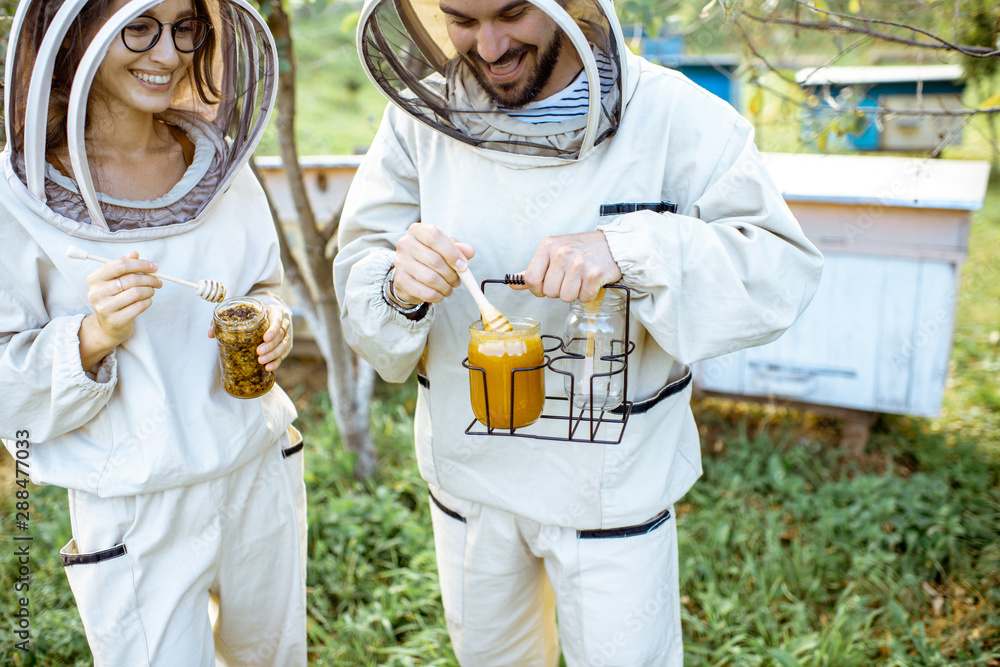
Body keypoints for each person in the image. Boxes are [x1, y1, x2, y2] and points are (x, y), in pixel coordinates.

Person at [336, 0, 823, 664]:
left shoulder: (676, 116)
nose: (488, 46)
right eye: (462, 20)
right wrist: (397, 281)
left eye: (510, 14)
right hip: (469, 483)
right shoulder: (419, 119)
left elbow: (777, 269)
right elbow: (361, 270)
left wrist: (633, 249)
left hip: (612, 493)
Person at [0, 0, 306, 664]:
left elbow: (263, 285)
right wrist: (94, 332)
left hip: (258, 466)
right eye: (138, 27)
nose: (168, 53)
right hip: (135, 501)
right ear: (77, 35)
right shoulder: (14, 195)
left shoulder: (223, 165)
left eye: (183, 27)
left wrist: (273, 320)